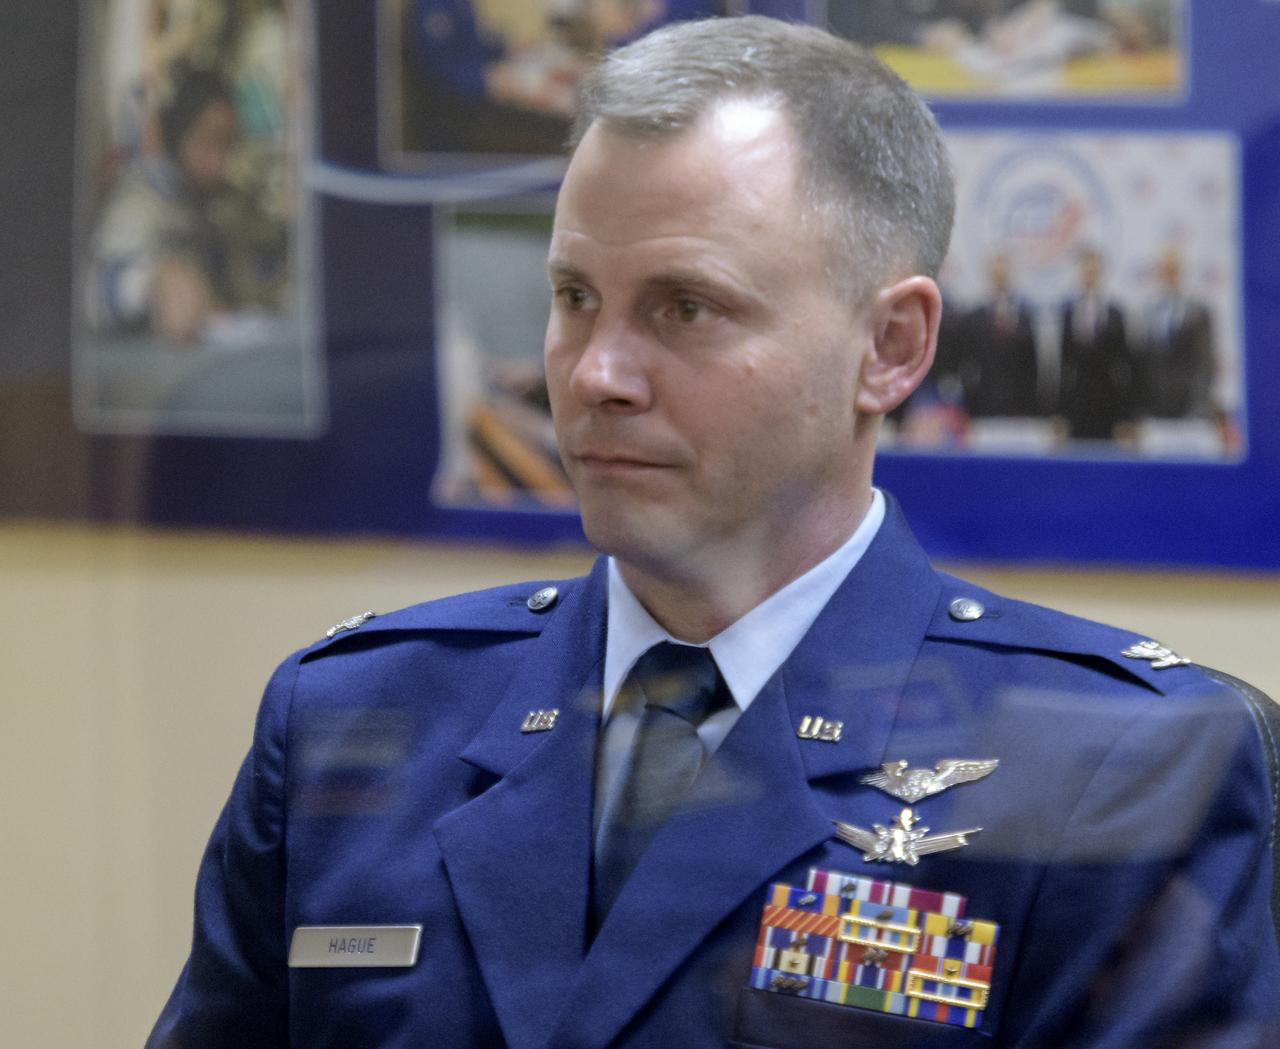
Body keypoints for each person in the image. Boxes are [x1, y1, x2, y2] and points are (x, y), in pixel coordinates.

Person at [148, 16, 1279, 1048]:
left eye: (684, 307)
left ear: (889, 347)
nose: (594, 376)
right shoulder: (357, 717)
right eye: (573, 296)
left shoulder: (1116, 765)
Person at [87, 64, 239, 345]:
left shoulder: (203, 201)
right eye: (208, 141)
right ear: (178, 132)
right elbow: (96, 289)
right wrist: (152, 284)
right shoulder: (141, 197)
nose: (218, 162)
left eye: (227, 145)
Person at [1058, 246, 1134, 440]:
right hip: (1077, 406)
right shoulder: (1067, 313)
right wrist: (1060, 414)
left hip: (1109, 406)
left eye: (1094, 271)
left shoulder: (1116, 314)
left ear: (1101, 273)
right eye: (1086, 271)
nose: (1090, 276)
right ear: (1079, 273)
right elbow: (1063, 366)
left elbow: (1123, 366)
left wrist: (1125, 416)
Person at [1136, 245, 1215, 420]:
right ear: (1158, 272)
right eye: (1164, 269)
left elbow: (1205, 364)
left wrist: (1200, 406)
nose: (1169, 274)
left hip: (1189, 407)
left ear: (1181, 271)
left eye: (1173, 269)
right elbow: (1142, 363)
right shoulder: (1147, 312)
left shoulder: (1199, 312)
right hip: (1154, 407)